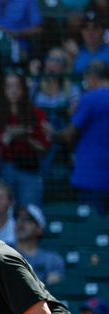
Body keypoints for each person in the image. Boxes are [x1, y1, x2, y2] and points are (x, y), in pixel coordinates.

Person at [0, 72, 49, 208]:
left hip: (29, 171)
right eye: (9, 87)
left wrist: (24, 136)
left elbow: (44, 147)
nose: (13, 91)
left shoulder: (37, 114)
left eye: (17, 86)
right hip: (4, 170)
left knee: (29, 211)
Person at [51, 60, 109, 214]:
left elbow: (69, 134)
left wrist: (52, 133)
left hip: (91, 175)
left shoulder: (90, 98)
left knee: (90, 227)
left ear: (92, 77)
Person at [12, 205, 64, 286]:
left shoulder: (52, 260)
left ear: (39, 228)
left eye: (27, 219)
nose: (20, 223)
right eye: (17, 218)